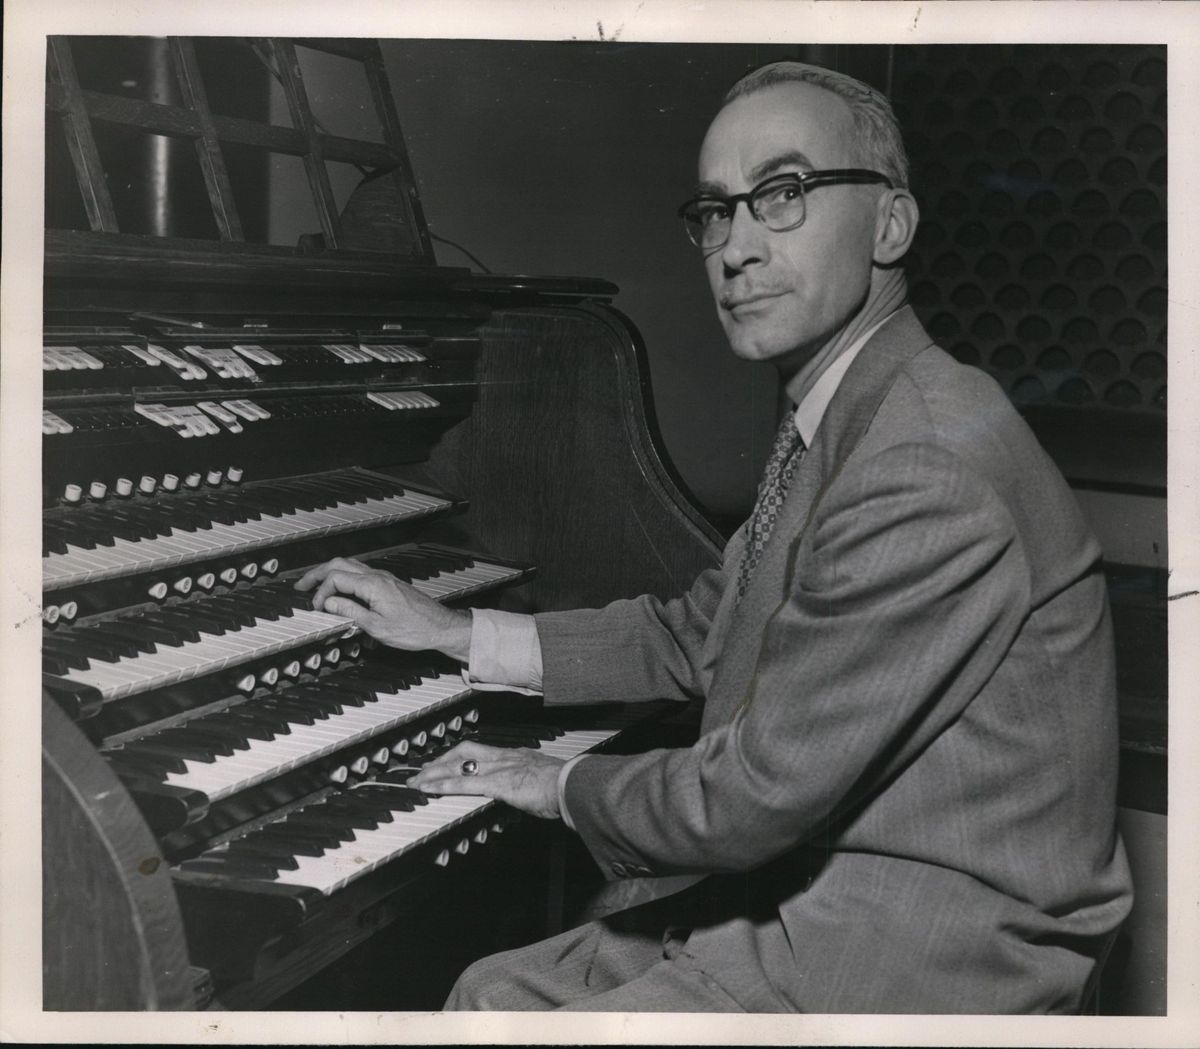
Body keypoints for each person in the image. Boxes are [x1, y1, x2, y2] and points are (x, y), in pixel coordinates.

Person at [296, 61, 1133, 1012]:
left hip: (927, 941)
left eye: (783, 195)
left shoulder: (923, 458)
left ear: (891, 225)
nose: (734, 247)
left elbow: (752, 796)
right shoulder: (849, 403)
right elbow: (709, 626)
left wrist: (553, 779)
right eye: (715, 211)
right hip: (825, 884)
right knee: (490, 991)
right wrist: (460, 634)